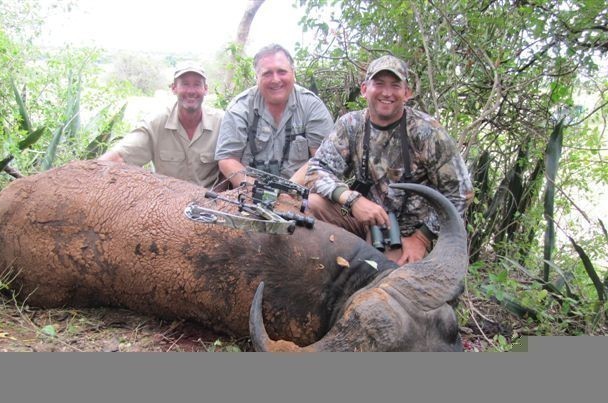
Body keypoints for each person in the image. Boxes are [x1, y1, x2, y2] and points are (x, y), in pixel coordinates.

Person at [304, 55, 473, 265]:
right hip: (359, 215)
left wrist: (422, 238)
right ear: (365, 89)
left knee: (382, 274)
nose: (387, 93)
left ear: (407, 93)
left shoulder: (428, 132)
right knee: (313, 205)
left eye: (395, 85)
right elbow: (316, 170)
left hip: (403, 233)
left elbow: (461, 192)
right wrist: (351, 199)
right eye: (379, 84)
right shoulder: (350, 124)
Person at [214, 44, 334, 187]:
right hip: (249, 192)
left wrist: (286, 192)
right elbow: (227, 160)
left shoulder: (312, 106)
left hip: (301, 194)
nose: (276, 79)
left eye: (282, 71)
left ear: (293, 73)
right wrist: (259, 192)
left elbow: (322, 159)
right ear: (256, 77)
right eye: (267, 73)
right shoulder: (239, 108)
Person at [99, 62, 224, 188]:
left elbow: (235, 163)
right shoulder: (155, 123)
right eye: (185, 84)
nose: (191, 91)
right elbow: (119, 157)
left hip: (211, 202)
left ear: (205, 89)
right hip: (165, 203)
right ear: (174, 88)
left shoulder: (222, 122)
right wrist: (87, 174)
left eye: (197, 84)